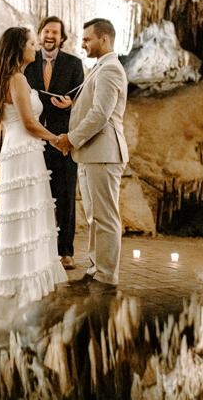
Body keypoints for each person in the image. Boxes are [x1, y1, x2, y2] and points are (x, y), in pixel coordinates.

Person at [0, 27, 68, 306]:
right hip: (24, 151)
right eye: (31, 43)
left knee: (23, 211)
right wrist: (57, 140)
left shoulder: (9, 78)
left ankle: (20, 273)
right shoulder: (18, 79)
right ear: (20, 48)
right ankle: (28, 275)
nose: (36, 47)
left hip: (18, 148)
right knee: (27, 210)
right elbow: (30, 124)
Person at [55, 18, 129, 295]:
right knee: (95, 217)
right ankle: (95, 270)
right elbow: (94, 106)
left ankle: (107, 276)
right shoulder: (100, 68)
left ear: (104, 40)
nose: (83, 44)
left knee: (106, 217)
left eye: (87, 39)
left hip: (104, 153)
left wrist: (70, 138)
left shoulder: (110, 69)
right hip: (91, 153)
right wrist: (74, 105)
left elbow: (100, 114)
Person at [25, 16, 84, 271]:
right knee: (36, 196)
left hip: (63, 140)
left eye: (55, 33)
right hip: (34, 138)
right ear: (40, 35)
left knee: (66, 196)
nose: (50, 36)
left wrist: (72, 104)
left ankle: (65, 252)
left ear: (62, 38)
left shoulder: (74, 64)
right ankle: (38, 248)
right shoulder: (27, 62)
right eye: (46, 31)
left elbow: (83, 101)